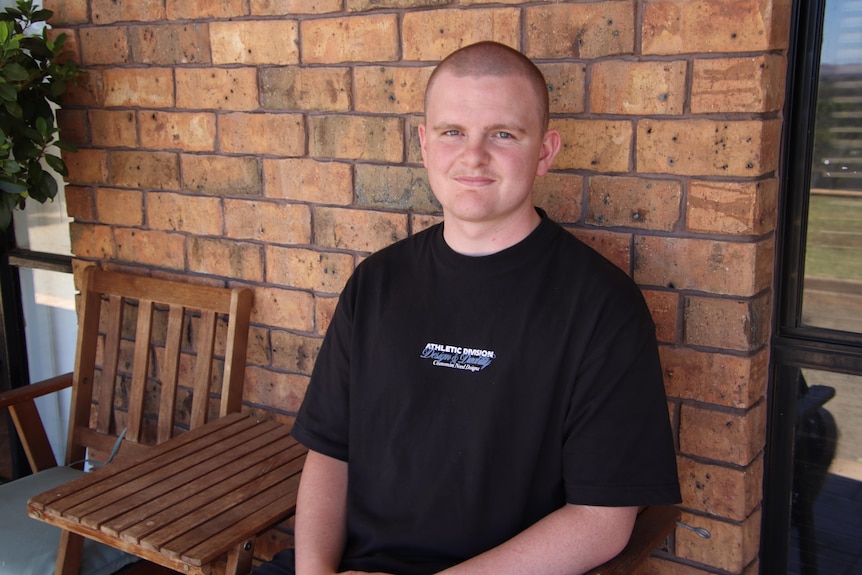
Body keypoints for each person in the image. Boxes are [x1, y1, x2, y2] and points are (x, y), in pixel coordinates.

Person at [255, 41, 681, 575]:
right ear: (424, 145)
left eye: (503, 134)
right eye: (452, 132)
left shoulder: (603, 306)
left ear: (544, 151)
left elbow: (602, 520)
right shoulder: (376, 283)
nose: (473, 155)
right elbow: (329, 453)